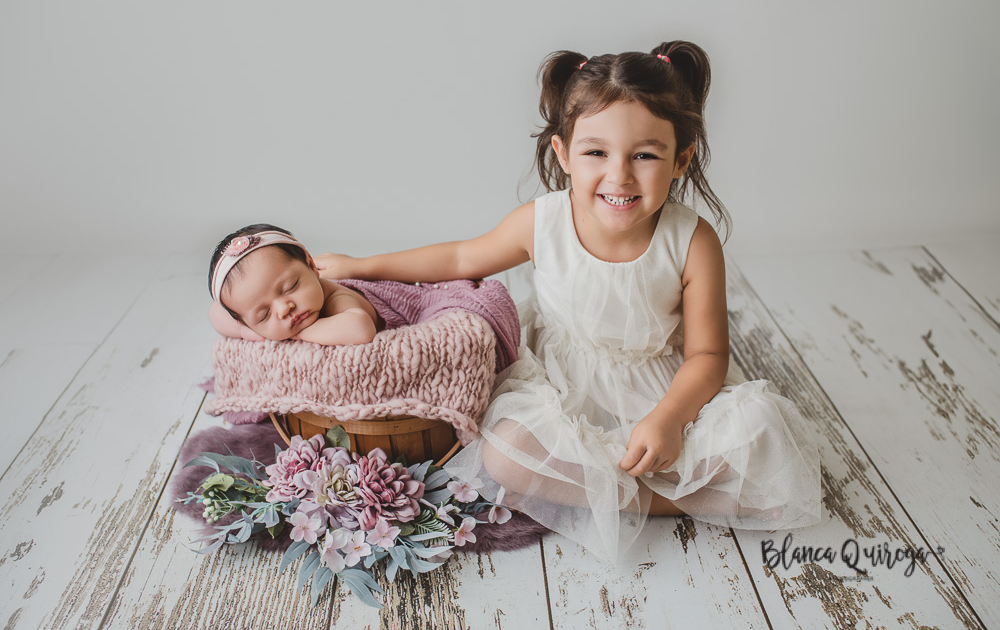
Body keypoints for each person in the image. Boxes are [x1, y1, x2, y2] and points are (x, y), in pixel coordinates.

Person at [315, 41, 822, 561]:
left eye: (645, 155)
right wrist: (361, 265)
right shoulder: (544, 221)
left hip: (663, 385)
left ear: (680, 160)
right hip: (562, 380)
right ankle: (664, 500)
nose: (620, 175)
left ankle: (624, 489)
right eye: (596, 152)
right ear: (563, 153)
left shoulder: (691, 240)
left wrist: (669, 418)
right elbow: (463, 259)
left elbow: (709, 357)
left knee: (757, 434)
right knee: (503, 457)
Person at [208, 224, 379, 346]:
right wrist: (246, 331)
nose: (284, 309)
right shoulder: (247, 318)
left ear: (310, 264)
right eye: (264, 315)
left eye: (290, 287)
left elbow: (361, 328)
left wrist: (297, 334)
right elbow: (215, 312)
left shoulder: (336, 297)